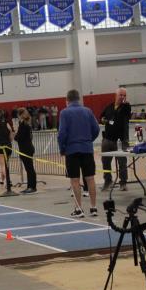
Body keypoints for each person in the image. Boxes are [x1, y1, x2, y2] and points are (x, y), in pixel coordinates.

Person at [57, 89, 100, 218]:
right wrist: (88, 140)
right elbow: (96, 129)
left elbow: (62, 133)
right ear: (78, 99)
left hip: (71, 150)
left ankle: (79, 208)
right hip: (87, 149)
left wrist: (62, 148)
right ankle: (93, 207)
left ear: (67, 100)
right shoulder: (88, 111)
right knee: (90, 178)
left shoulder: (64, 112)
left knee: (75, 180)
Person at [100, 87, 131, 192]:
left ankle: (123, 183)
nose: (122, 97)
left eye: (124, 95)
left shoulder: (126, 107)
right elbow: (101, 117)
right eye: (120, 95)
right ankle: (107, 181)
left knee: (122, 162)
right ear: (116, 95)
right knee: (105, 161)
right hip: (108, 139)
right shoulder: (109, 107)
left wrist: (126, 104)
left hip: (121, 140)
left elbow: (128, 114)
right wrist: (103, 120)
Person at [15, 108, 37, 194]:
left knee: (29, 169)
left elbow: (19, 137)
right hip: (27, 148)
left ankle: (32, 187)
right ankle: (30, 186)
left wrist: (15, 134)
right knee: (29, 168)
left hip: (26, 149)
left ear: (20, 115)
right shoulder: (26, 123)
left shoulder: (23, 124)